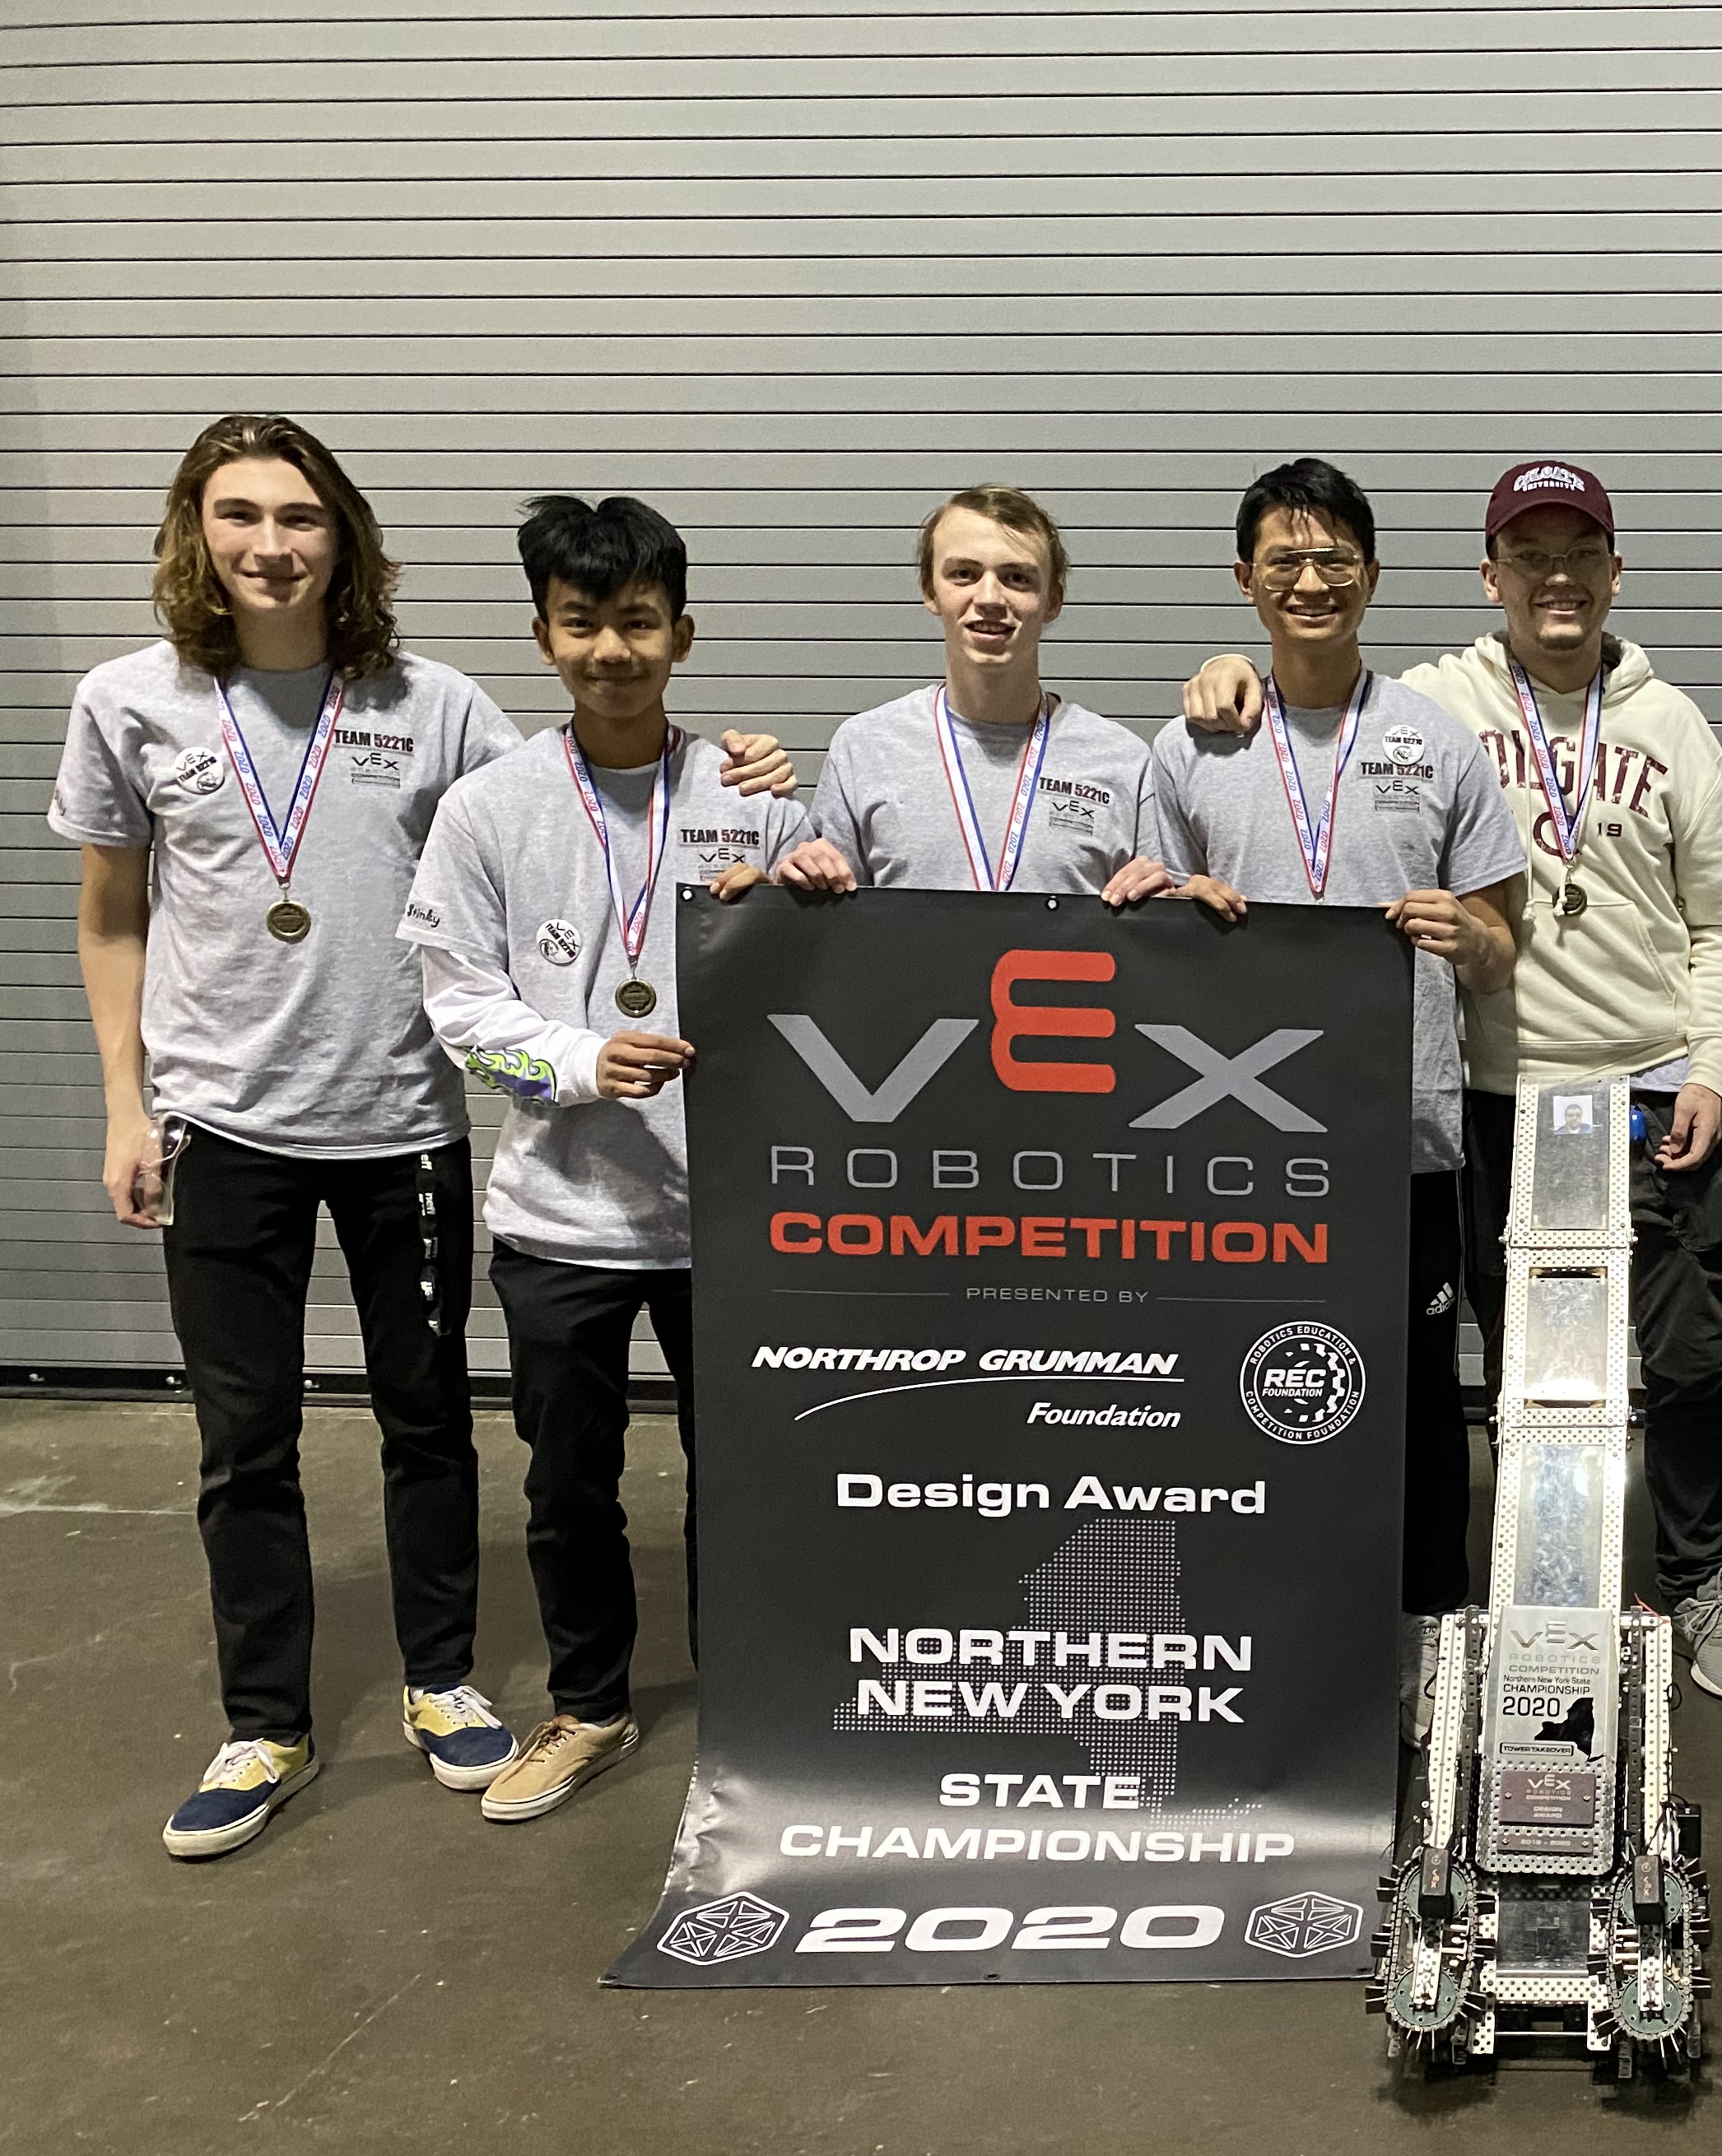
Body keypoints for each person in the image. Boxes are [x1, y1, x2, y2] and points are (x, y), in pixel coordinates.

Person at [53, 415, 791, 1861]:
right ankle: (265, 1717)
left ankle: (444, 1678)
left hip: (401, 1125)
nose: (271, 543)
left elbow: (603, 811)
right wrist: (126, 1101)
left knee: (427, 1421)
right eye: (240, 515)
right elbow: (110, 912)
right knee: (244, 1435)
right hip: (220, 1117)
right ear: (195, 531)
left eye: (300, 516)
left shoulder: (440, 705)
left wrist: (745, 773)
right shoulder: (128, 699)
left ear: (345, 537)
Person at [1177, 462, 1722, 1692]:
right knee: (1528, 1375)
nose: (1557, 575)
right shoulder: (1434, 703)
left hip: (1650, 1080)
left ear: (1614, 571)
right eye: (1529, 554)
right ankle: (1540, 1595)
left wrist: (1709, 1064)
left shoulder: (1673, 726)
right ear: (1487, 576)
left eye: (1580, 552)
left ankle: (1702, 1580)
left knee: (1692, 1363)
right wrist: (1225, 672)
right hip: (1501, 1095)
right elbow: (1304, 666)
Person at [398, 495, 805, 1823]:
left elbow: (814, 967)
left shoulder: (747, 793)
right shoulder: (487, 809)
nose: (612, 648)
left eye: (637, 620)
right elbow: (458, 1008)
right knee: (568, 1480)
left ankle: (753, 1705)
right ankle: (592, 1704)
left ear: (681, 631)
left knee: (741, 1475)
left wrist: (806, 855)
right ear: (545, 634)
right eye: (584, 622)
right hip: (561, 1217)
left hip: (728, 1217)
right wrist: (582, 1060)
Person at [1134, 458, 1525, 1619]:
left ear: (1371, 575)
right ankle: (1259, 1617)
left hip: (1397, 1141)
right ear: (1247, 582)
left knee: (1407, 1401)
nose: (1313, 582)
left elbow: (1505, 943)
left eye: (1335, 561)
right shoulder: (1190, 746)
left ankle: (1426, 1635)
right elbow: (1147, 935)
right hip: (1230, 1146)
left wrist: (1471, 935)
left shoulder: (1437, 741)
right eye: (1287, 562)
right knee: (1240, 1390)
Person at [772, 485, 1157, 898]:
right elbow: (832, 930)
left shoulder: (1124, 762)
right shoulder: (863, 749)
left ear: (1053, 600)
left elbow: (1161, 927)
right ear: (929, 590)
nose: (990, 598)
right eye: (964, 574)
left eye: (1017, 577)